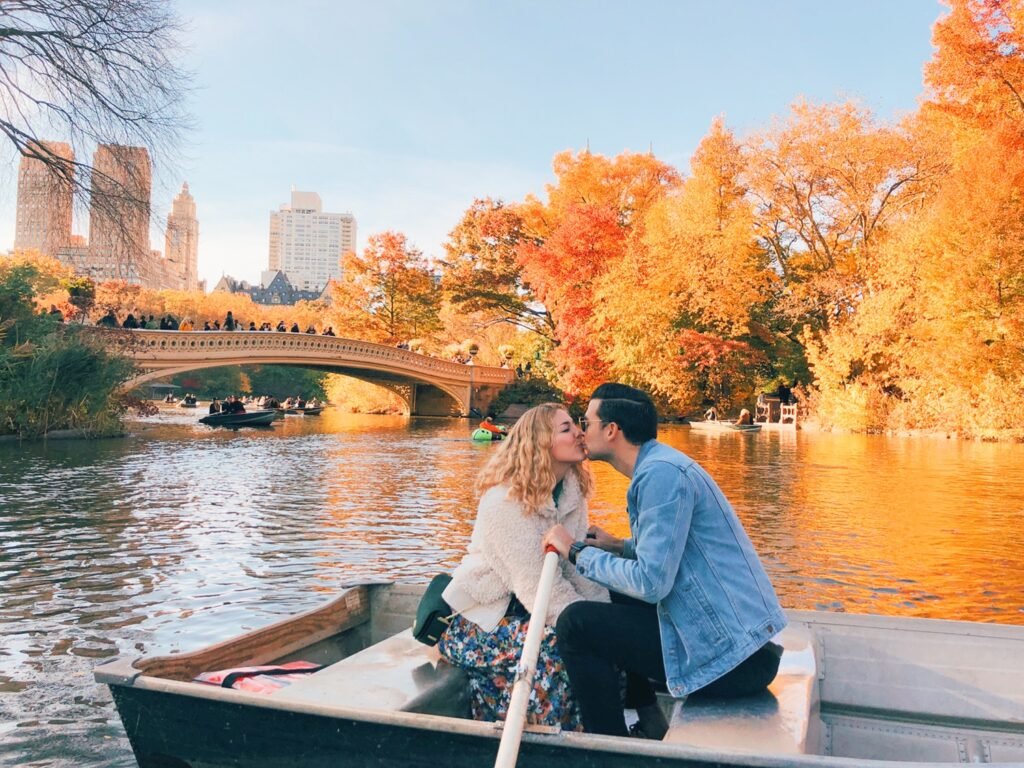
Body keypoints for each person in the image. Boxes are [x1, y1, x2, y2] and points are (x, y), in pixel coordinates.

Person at [542, 383, 787, 738]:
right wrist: (620, 547)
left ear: (611, 431)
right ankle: (651, 719)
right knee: (610, 594)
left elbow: (651, 583)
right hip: (741, 647)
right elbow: (675, 558)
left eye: (587, 421)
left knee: (575, 624)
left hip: (732, 660)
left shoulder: (662, 476)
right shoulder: (660, 466)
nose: (581, 431)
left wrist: (577, 551)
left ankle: (608, 748)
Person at [439, 403, 608, 731]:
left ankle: (600, 734)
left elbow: (576, 571)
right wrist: (591, 628)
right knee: (558, 647)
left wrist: (604, 618)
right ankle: (556, 741)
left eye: (576, 424)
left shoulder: (570, 491)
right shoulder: (505, 501)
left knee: (608, 634)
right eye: (566, 428)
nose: (579, 432)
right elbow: (535, 589)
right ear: (540, 443)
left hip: (528, 613)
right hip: (482, 621)